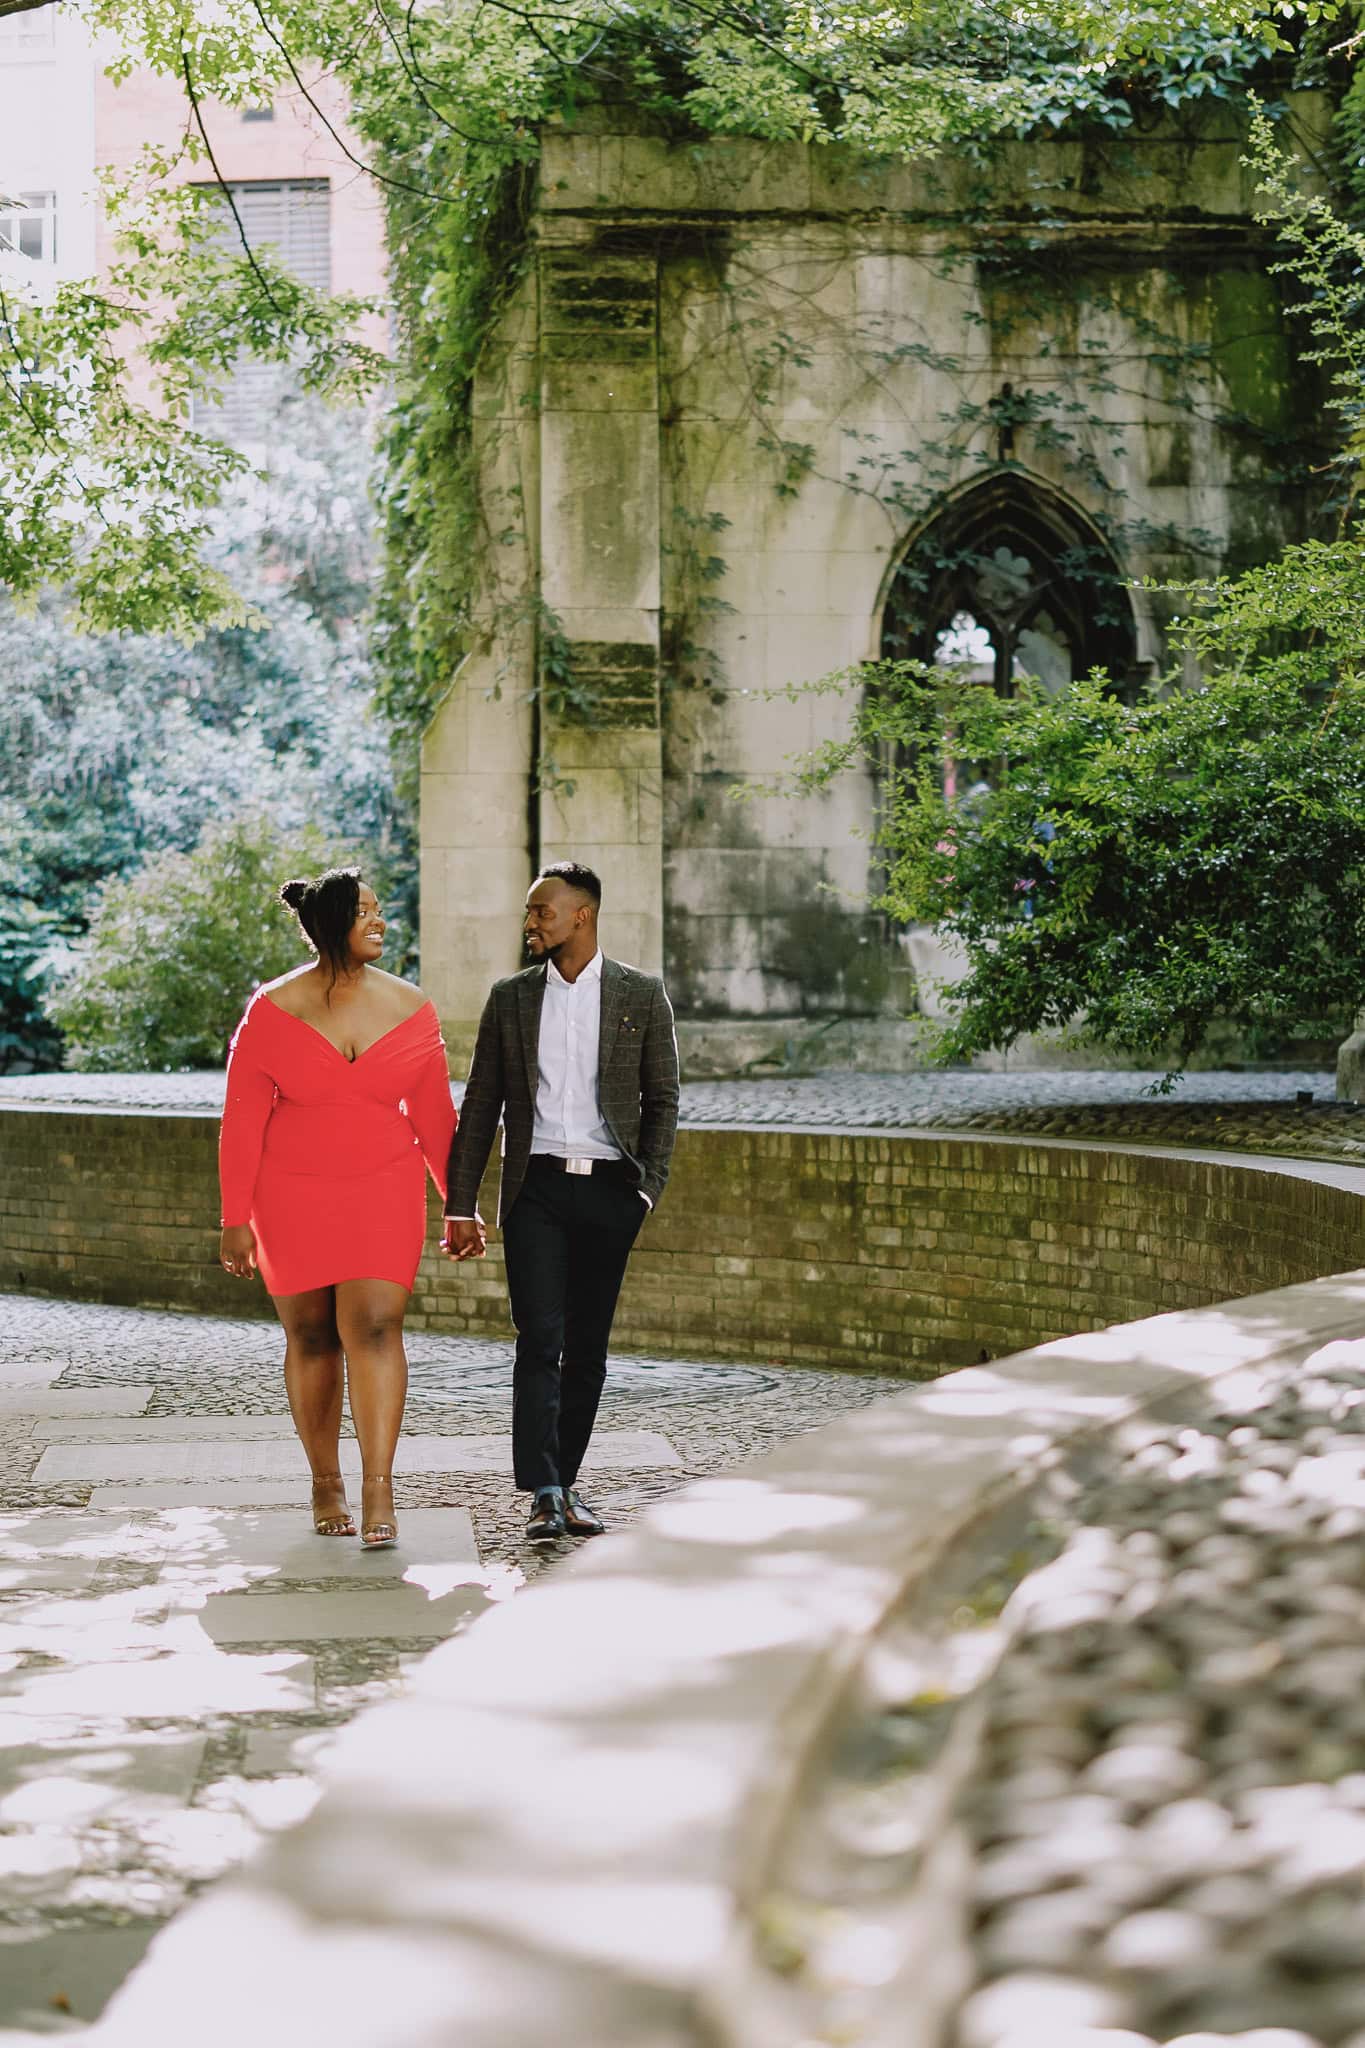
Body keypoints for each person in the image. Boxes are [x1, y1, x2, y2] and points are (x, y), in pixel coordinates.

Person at [441, 862, 679, 1544]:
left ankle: (566, 1482)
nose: (531, 923)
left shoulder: (640, 994)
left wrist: (644, 1189)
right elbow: (481, 1104)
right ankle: (543, 1490)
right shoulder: (511, 998)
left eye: (541, 912)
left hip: (610, 1189)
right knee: (539, 1339)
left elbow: (663, 1100)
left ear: (581, 914)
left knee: (588, 1351)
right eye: (528, 913)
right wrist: (462, 1202)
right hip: (536, 1187)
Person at [218, 868, 456, 1549]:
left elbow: (436, 1118)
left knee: (377, 1329)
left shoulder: (413, 1007)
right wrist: (236, 1217)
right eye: (365, 912)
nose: (380, 922)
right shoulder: (270, 1009)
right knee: (313, 1336)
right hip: (287, 1194)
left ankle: (379, 1489)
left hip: (383, 1186)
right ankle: (326, 1483)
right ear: (330, 925)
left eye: (381, 911)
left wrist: (458, 1204)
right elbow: (241, 1123)